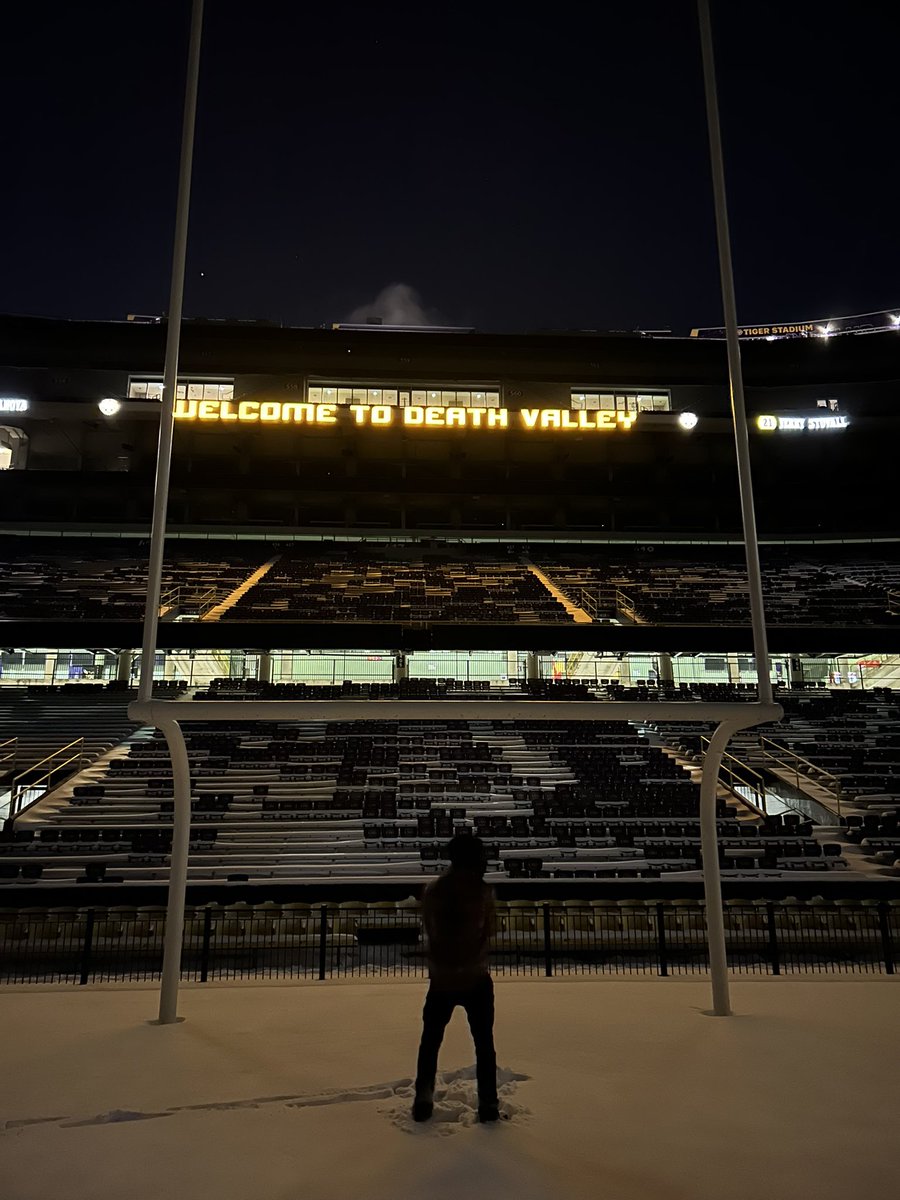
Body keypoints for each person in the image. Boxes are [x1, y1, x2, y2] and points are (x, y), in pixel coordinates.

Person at [412, 832, 499, 1123]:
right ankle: (488, 1104)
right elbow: (490, 929)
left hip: (443, 979)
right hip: (475, 977)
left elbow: (430, 929)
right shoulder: (483, 891)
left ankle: (423, 1097)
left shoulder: (433, 890)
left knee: (430, 1041)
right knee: (484, 1044)